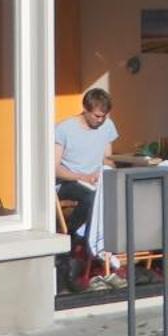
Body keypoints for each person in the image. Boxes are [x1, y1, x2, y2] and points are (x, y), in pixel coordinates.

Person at [55, 88, 117, 288]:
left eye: (104, 116)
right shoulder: (64, 129)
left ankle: (106, 250)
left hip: (95, 180)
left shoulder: (107, 126)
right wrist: (82, 176)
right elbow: (55, 168)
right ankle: (74, 240)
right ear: (86, 110)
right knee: (90, 198)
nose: (100, 120)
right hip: (70, 181)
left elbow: (108, 158)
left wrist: (107, 172)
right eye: (97, 116)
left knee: (117, 195)